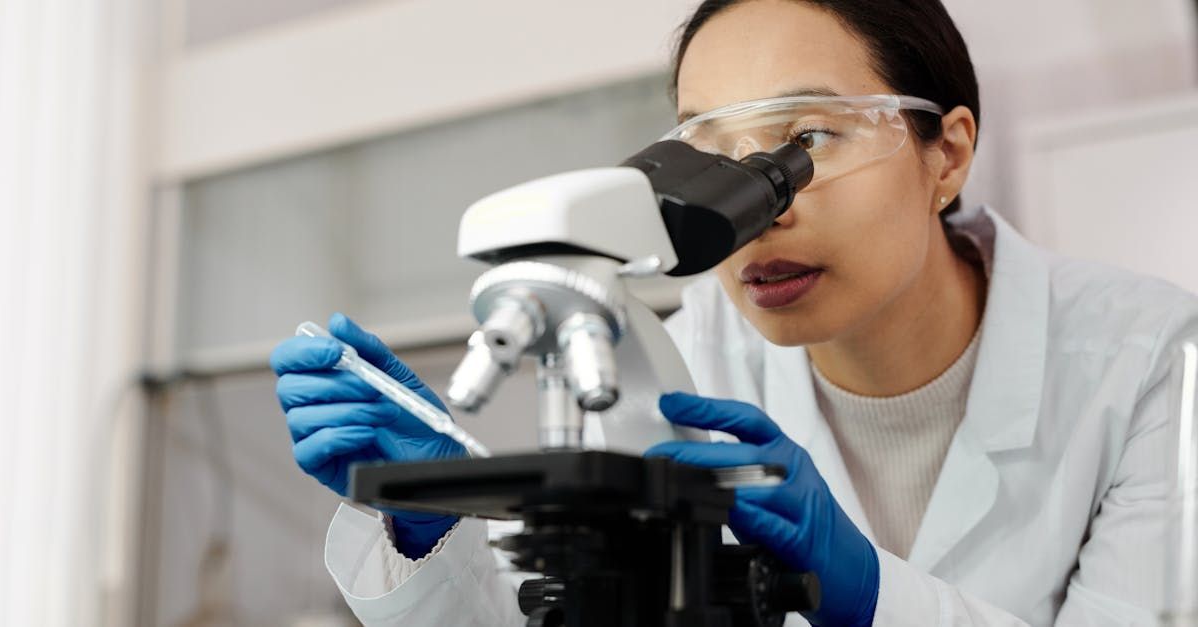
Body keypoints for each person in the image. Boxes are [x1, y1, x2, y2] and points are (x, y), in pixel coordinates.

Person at [268, 1, 1198, 624]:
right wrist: (434, 529)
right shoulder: (681, 356)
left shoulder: (1153, 359)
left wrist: (868, 593)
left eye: (806, 140)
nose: (759, 207)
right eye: (712, 153)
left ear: (947, 154)